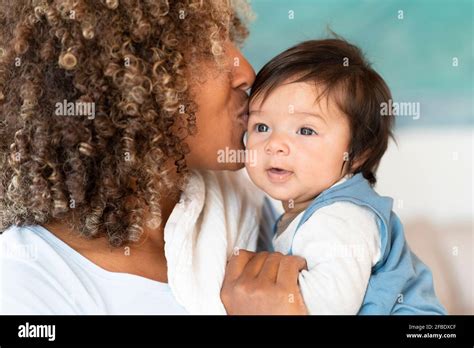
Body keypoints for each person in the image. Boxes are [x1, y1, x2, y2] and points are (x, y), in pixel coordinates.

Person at [0, 0, 307, 314]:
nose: (246, 73)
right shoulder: (27, 285)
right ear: (125, 83)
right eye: (207, 49)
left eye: (230, 39)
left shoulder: (254, 188)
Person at [243, 38, 446, 314]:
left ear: (357, 153)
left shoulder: (339, 219)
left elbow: (326, 307)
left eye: (305, 131)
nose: (274, 144)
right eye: (262, 126)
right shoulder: (312, 211)